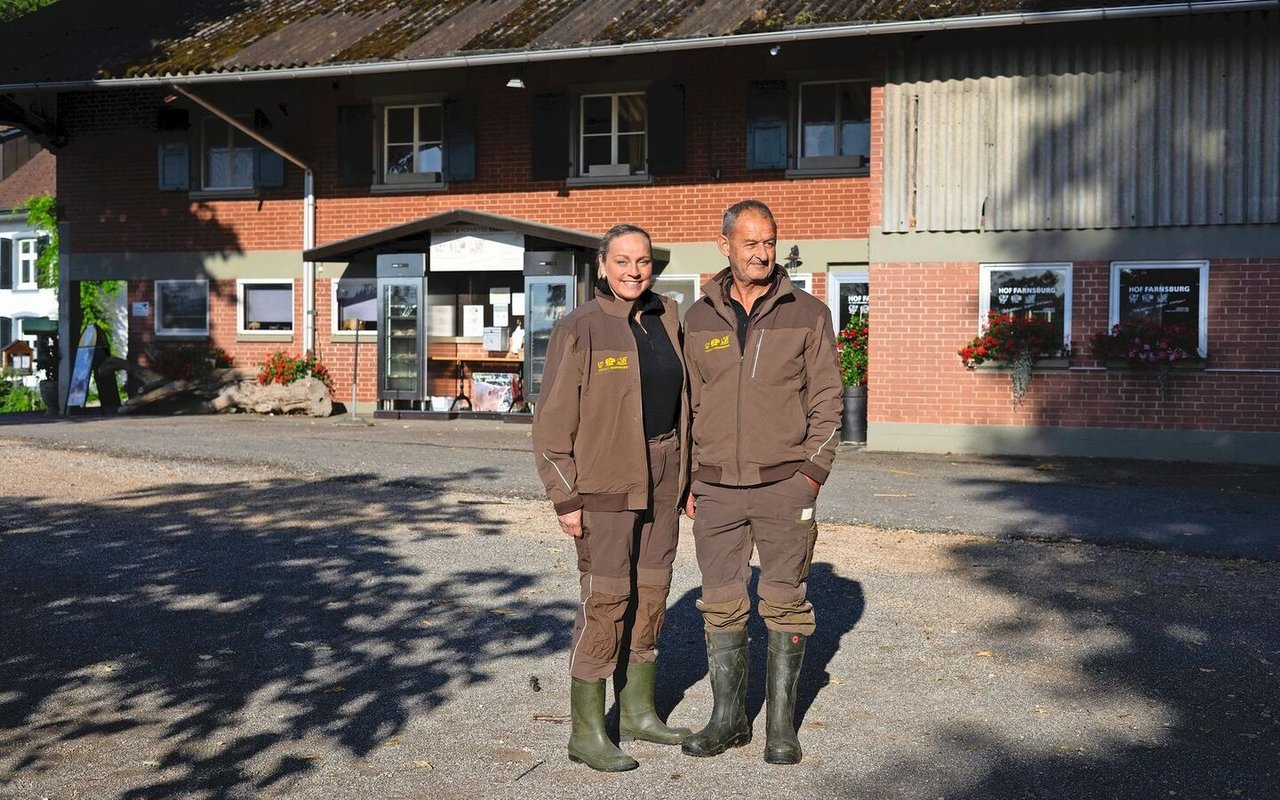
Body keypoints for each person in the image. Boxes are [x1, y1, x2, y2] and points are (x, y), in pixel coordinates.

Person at [680, 199, 842, 765]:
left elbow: (828, 400)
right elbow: (687, 404)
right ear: (724, 244)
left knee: (786, 602)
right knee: (721, 601)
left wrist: (810, 474)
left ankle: (780, 728)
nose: (762, 253)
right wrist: (690, 478)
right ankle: (728, 721)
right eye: (750, 243)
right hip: (716, 488)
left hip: (785, 485)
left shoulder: (809, 313)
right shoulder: (697, 318)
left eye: (769, 242)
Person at [532, 223, 691, 772]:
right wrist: (565, 497)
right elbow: (550, 425)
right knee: (606, 598)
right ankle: (586, 732)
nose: (633, 271)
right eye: (622, 260)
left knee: (652, 591)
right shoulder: (580, 327)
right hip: (604, 481)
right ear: (602, 265)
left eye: (642, 261)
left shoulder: (668, 317)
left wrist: (688, 478)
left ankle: (638, 712)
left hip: (665, 474)